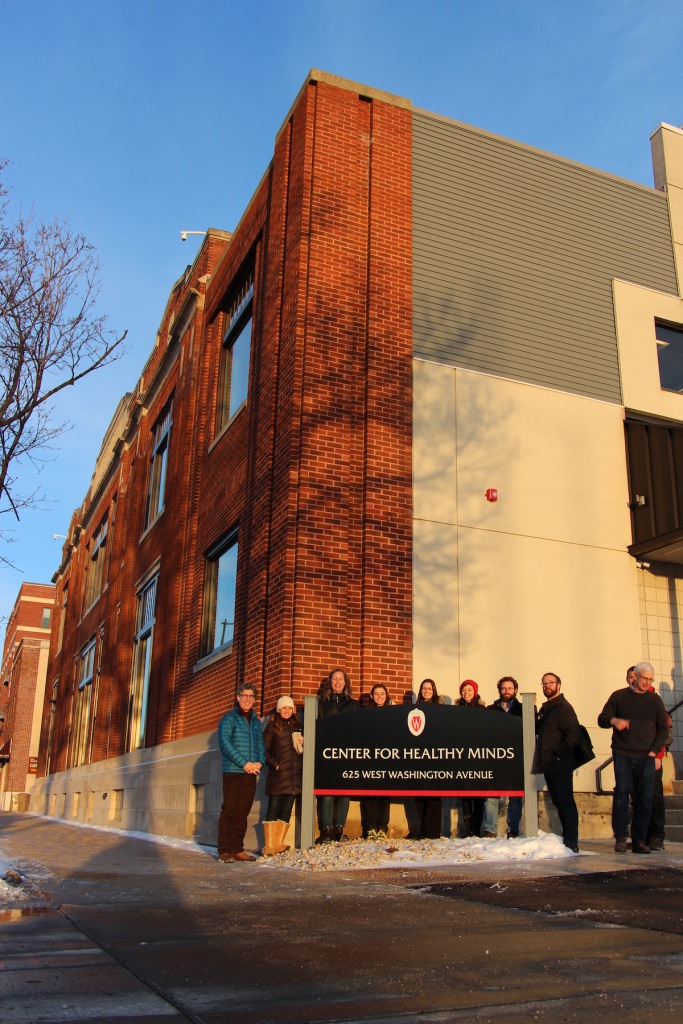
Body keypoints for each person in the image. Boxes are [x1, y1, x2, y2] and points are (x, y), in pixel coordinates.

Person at [598, 661, 669, 854]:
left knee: (645, 799)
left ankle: (639, 840)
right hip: (623, 753)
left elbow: (664, 729)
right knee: (622, 793)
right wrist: (614, 720)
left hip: (646, 756)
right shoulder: (619, 696)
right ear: (635, 676)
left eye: (650, 679)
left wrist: (654, 752)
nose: (647, 682)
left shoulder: (654, 701)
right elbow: (602, 718)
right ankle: (621, 837)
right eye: (644, 678)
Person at [532, 672, 581, 853]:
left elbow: (574, 735)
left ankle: (571, 840)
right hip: (549, 764)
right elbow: (536, 729)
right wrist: (533, 708)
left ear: (559, 685)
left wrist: (558, 754)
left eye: (551, 683)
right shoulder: (547, 708)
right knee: (559, 801)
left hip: (560, 763)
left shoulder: (564, 708)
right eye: (544, 683)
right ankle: (567, 839)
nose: (547, 686)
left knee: (565, 801)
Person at [217, 682, 266, 862]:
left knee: (243, 811)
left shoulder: (255, 721)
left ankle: (237, 849)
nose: (247, 699)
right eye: (244, 696)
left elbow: (260, 744)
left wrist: (259, 762)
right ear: (238, 698)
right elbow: (225, 744)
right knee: (229, 809)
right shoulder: (229, 719)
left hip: (251, 773)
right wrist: (244, 763)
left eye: (251, 696)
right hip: (233, 771)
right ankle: (224, 851)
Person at [317, 667, 358, 842]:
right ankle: (326, 830)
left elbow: (359, 730)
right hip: (326, 754)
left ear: (345, 682)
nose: (338, 682)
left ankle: (340, 828)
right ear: (330, 682)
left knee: (344, 792)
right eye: (335, 679)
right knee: (326, 792)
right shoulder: (321, 704)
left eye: (341, 679)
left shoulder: (353, 705)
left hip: (346, 754)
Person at [262, 696, 304, 855]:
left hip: (295, 777)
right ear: (279, 710)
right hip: (279, 776)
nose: (286, 711)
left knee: (286, 810)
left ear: (293, 710)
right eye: (283, 708)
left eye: (289, 708)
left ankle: (279, 844)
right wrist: (275, 765)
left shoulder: (298, 726)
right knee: (273, 809)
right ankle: (269, 846)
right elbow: (264, 751)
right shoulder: (272, 727)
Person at [482, 676, 524, 838]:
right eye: (503, 688)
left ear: (515, 690)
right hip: (496, 758)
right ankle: (490, 830)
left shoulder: (522, 710)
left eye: (510, 688)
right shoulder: (491, 709)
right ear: (499, 690)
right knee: (491, 796)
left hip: (516, 758)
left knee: (516, 796)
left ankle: (513, 830)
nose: (506, 691)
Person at [454, 680, 486, 837]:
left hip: (477, 757)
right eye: (464, 690)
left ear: (475, 692)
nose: (466, 693)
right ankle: (467, 829)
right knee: (465, 794)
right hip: (461, 757)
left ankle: (477, 828)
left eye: (469, 690)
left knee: (478, 795)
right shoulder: (456, 710)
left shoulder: (482, 709)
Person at [361, 684, 393, 840]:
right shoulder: (366, 714)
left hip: (386, 759)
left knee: (384, 795)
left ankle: (382, 827)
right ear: (372, 696)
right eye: (376, 694)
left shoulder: (393, 714)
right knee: (370, 795)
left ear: (386, 695)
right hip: (370, 759)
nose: (380, 696)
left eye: (382, 693)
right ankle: (370, 827)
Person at [412, 678, 443, 839]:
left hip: (435, 758)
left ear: (434, 691)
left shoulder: (439, 709)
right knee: (419, 794)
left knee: (434, 795)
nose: (426, 691)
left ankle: (433, 831)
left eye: (429, 688)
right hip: (418, 757)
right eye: (424, 688)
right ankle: (422, 828)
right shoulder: (414, 709)